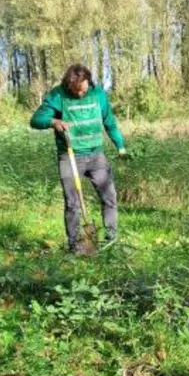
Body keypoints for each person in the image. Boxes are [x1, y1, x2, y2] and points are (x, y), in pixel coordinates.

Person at [30, 63, 127, 254]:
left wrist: (121, 147)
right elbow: (35, 120)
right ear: (68, 84)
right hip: (70, 155)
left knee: (109, 197)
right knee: (72, 202)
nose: (80, 94)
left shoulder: (98, 94)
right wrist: (53, 121)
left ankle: (111, 239)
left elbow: (110, 123)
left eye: (82, 89)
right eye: (75, 91)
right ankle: (75, 244)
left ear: (88, 82)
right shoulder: (58, 95)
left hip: (96, 155)